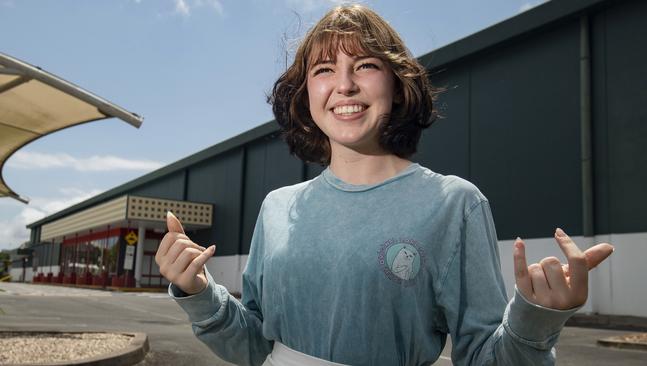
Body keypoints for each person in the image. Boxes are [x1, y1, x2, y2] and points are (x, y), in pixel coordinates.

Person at [155, 4, 614, 365]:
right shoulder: (277, 207)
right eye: (324, 70)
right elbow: (255, 347)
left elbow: (484, 359)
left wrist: (535, 320)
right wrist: (198, 292)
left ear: (396, 84)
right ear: (306, 94)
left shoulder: (455, 204)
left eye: (366, 65)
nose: (345, 85)